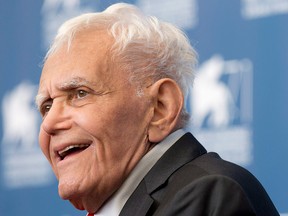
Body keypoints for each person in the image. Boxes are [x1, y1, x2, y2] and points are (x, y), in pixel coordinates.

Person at [36, 3, 279, 216]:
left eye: (80, 94)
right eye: (46, 106)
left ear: (160, 108)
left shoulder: (208, 195)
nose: (49, 123)